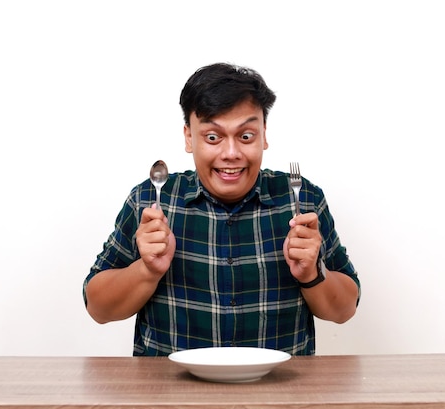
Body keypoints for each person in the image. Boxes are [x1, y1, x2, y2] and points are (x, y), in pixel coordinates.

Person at [83, 63, 360, 356]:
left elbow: (344, 309)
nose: (231, 153)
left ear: (264, 134)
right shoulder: (150, 201)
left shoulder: (302, 200)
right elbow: (98, 308)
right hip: (169, 397)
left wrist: (311, 274)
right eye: (213, 137)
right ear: (189, 137)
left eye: (246, 136)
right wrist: (147, 270)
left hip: (279, 395)